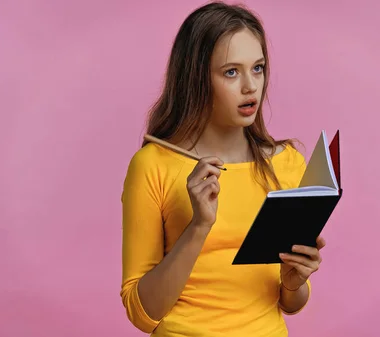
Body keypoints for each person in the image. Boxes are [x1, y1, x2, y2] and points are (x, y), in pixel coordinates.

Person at [120, 2, 326, 336]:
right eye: (231, 72)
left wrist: (293, 282)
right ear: (196, 78)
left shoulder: (287, 164)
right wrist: (199, 226)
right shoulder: (153, 165)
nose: (250, 86)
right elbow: (143, 313)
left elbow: (291, 303)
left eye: (257, 68)